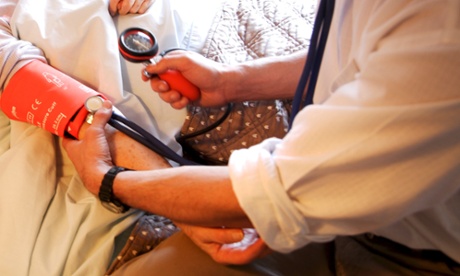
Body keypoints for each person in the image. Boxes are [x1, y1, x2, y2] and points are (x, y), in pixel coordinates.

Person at [63, 0, 460, 275]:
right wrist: (232, 80)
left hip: (419, 250)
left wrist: (105, 178)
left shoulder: (444, 35)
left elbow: (265, 195)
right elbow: (367, 52)